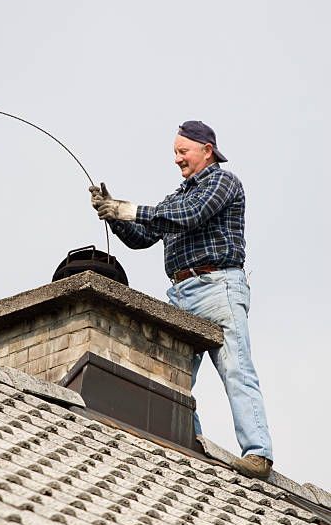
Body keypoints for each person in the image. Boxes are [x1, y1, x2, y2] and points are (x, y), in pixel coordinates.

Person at [89, 120, 273, 479]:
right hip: (181, 293)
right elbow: (143, 236)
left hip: (217, 287)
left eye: (182, 151)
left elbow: (190, 217)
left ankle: (258, 454)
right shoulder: (175, 197)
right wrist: (113, 215)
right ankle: (193, 442)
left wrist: (129, 208)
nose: (176, 159)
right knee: (173, 375)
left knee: (236, 368)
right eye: (175, 152)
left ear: (206, 150)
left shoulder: (223, 182)